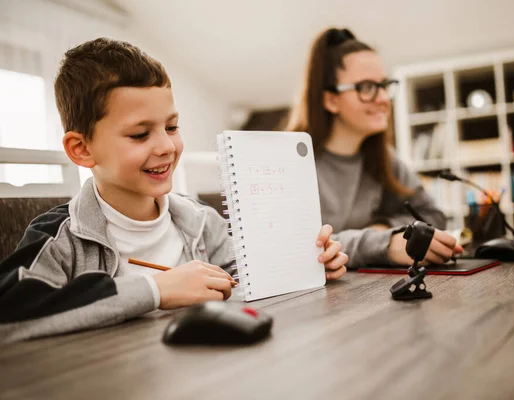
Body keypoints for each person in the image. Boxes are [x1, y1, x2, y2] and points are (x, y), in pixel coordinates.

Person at [0, 38, 347, 343]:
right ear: (82, 149)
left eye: (172, 126)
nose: (166, 145)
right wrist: (155, 290)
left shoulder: (200, 221)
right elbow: (9, 313)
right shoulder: (60, 239)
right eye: (140, 134)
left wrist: (308, 266)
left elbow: (249, 285)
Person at [287, 27, 463, 268]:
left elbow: (433, 216)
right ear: (331, 100)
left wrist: (383, 227)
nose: (383, 99)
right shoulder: (289, 163)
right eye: (367, 87)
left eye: (384, 85)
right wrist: (382, 243)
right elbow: (297, 248)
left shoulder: (383, 159)